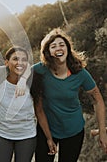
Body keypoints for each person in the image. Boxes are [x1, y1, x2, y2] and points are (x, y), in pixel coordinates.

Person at [33, 28, 107, 162]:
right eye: (53, 46)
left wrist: (102, 131)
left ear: (68, 48)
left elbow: (98, 101)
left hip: (74, 130)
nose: (58, 48)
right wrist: (20, 83)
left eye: (62, 45)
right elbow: (17, 70)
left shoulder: (80, 73)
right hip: (47, 130)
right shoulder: (40, 69)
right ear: (48, 52)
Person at [0, 46, 57, 162]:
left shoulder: (33, 82)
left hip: (26, 136)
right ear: (6, 62)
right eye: (15, 59)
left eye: (24, 60)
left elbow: (39, 111)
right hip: (2, 134)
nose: (20, 62)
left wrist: (49, 138)